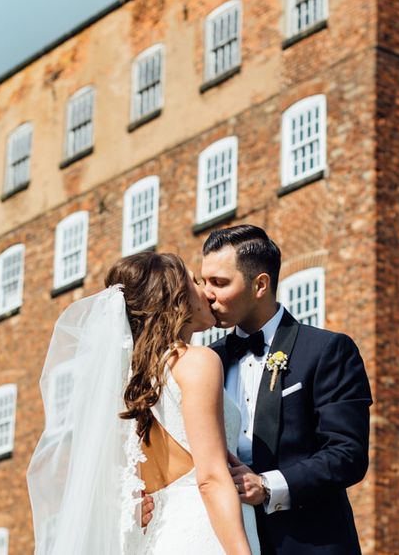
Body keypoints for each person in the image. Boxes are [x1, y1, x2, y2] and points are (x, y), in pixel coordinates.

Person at [143, 225, 373, 555]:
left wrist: (267, 487)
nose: (207, 293)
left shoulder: (327, 350)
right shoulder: (203, 362)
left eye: (219, 283)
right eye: (203, 281)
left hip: (306, 542)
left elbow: (347, 454)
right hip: (216, 537)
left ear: (260, 285)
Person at [27, 251, 259, 554]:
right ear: (177, 298)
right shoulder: (196, 361)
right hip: (207, 530)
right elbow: (211, 480)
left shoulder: (131, 383)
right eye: (194, 281)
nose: (206, 291)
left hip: (160, 536)